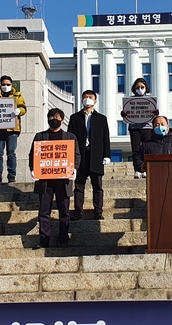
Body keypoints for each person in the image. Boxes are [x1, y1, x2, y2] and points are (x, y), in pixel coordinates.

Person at [30, 108, 80, 248]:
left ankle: (63, 239)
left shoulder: (70, 137)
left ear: (62, 120)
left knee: (64, 211)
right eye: (51, 116)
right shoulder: (40, 136)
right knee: (44, 212)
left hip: (63, 181)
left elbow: (77, 155)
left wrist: (74, 169)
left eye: (57, 117)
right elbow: (32, 154)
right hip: (45, 182)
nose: (54, 119)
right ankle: (44, 240)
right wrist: (33, 170)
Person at [68, 90, 111, 220]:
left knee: (97, 186)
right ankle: (78, 212)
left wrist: (106, 155)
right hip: (80, 156)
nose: (88, 99)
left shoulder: (101, 119)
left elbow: (105, 138)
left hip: (96, 156)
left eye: (90, 97)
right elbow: (70, 137)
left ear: (95, 101)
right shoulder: (75, 118)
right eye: (85, 97)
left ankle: (98, 211)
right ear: (81, 100)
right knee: (79, 186)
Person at [0, 75, 27, 183]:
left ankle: (11, 175)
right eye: (3, 84)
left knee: (11, 153)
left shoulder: (17, 96)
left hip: (12, 129)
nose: (5, 86)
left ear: (12, 85)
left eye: (8, 84)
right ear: (0, 84)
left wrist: (19, 111)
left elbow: (24, 108)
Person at [124, 78, 155, 179]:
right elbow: (126, 115)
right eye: (138, 87)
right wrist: (124, 114)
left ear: (146, 88)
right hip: (134, 128)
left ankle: (146, 169)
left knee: (147, 149)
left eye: (142, 87)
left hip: (147, 127)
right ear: (134, 89)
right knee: (136, 150)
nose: (140, 89)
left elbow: (155, 116)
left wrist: (155, 113)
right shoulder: (130, 101)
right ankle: (137, 170)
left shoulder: (151, 100)